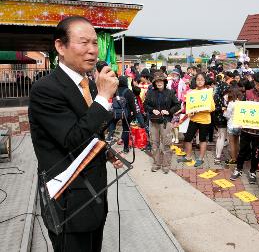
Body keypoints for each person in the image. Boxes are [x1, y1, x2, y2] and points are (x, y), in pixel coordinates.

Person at [29, 16, 123, 252]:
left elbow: (89, 130)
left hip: (95, 197)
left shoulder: (89, 85)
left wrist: (106, 149)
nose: (92, 50)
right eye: (84, 43)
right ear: (60, 46)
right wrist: (103, 99)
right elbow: (72, 138)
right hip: (68, 203)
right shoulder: (46, 89)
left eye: (95, 43)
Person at [230, 71, 259, 184]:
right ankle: (238, 169)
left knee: (256, 153)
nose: (258, 86)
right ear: (254, 82)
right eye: (257, 84)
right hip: (246, 129)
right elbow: (241, 109)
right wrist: (239, 118)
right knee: (242, 150)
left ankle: (253, 171)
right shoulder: (247, 93)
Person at [144, 72, 180, 174]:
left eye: (161, 81)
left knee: (166, 144)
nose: (159, 83)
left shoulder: (170, 93)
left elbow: (177, 105)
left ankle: (166, 165)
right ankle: (156, 164)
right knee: (154, 143)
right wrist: (152, 110)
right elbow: (145, 104)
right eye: (157, 81)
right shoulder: (151, 92)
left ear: (164, 82)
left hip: (166, 121)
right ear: (154, 83)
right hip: (154, 121)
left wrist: (169, 111)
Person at [177, 73, 215, 167]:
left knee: (202, 139)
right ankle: (188, 157)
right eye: (198, 79)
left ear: (205, 81)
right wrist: (190, 112)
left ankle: (200, 159)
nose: (200, 81)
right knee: (188, 138)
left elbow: (212, 108)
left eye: (202, 79)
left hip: (205, 120)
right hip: (193, 119)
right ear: (195, 81)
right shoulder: (192, 92)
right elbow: (189, 107)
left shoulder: (208, 92)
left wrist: (202, 109)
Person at [106, 75, 137, 153]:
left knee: (112, 125)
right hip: (126, 113)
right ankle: (126, 148)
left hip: (115, 113)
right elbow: (132, 105)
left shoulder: (115, 90)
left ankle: (109, 140)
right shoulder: (128, 91)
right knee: (126, 130)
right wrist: (134, 115)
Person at [223, 85, 243, 165]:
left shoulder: (231, 103)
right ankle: (237, 157)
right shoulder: (241, 103)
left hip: (231, 125)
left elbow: (227, 115)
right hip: (239, 125)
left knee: (231, 143)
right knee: (237, 142)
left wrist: (224, 111)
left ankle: (233, 159)